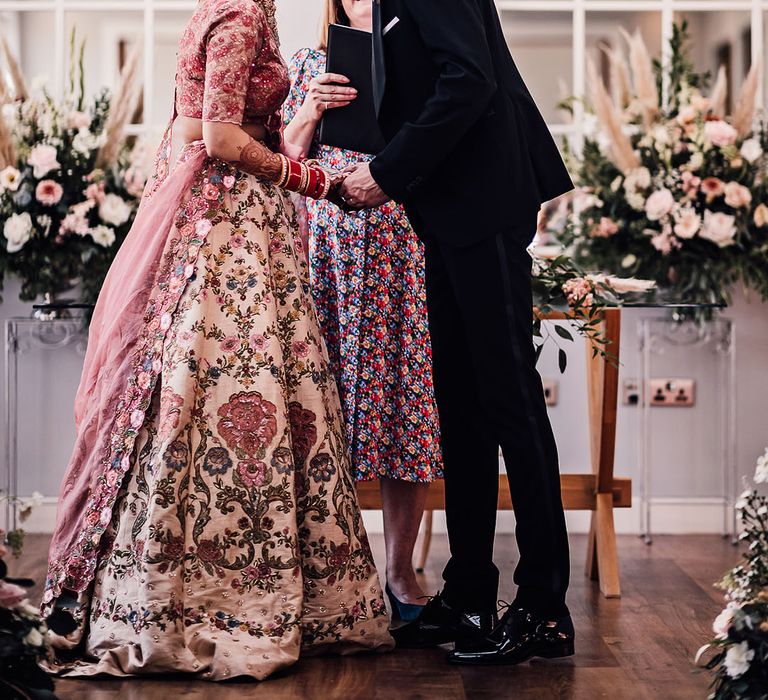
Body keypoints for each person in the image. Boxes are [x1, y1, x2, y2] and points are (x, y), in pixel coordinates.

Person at [41, 0, 392, 680]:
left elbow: (229, 131)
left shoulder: (238, 9)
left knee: (215, 390)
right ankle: (210, 604)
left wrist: (297, 140)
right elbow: (223, 137)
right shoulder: (238, 16)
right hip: (229, 231)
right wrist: (312, 179)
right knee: (231, 386)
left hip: (235, 218)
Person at [340, 0, 576, 665]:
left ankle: (544, 607)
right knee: (462, 411)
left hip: (485, 202)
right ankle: (470, 591)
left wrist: (386, 172)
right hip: (448, 212)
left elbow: (467, 78)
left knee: (511, 404)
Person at [282, 0, 442, 622]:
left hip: (400, 243)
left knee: (406, 405)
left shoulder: (421, 57)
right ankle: (322, 573)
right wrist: (312, 107)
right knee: (318, 409)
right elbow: (283, 157)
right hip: (324, 251)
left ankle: (399, 573)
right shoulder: (307, 60)